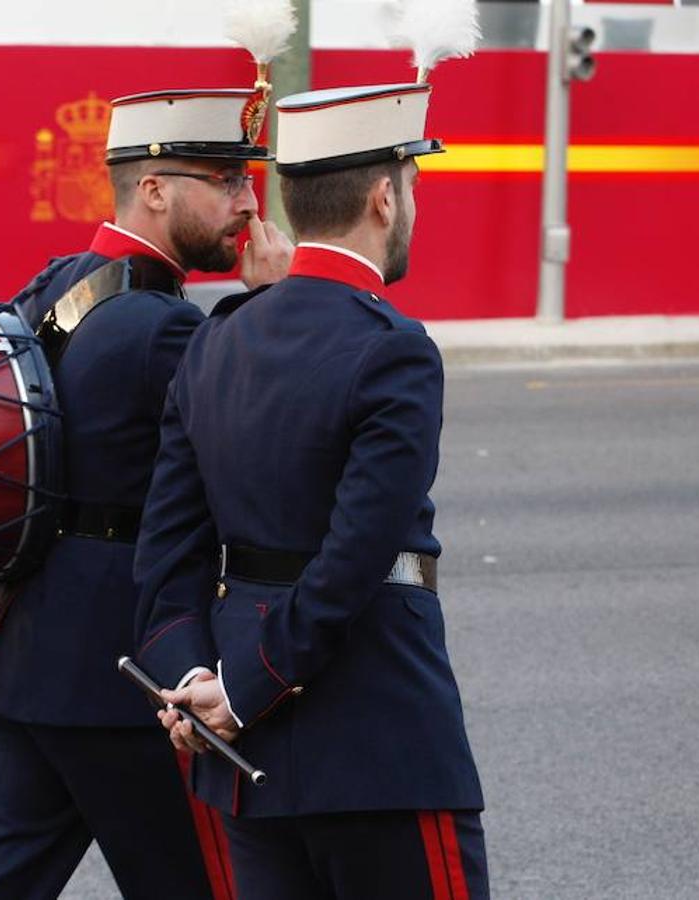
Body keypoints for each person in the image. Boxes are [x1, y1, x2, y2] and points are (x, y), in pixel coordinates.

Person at [133, 82, 490, 899]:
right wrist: (241, 691)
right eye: (412, 187)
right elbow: (354, 559)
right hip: (374, 739)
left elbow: (166, 553)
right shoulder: (394, 349)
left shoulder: (217, 340)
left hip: (240, 754)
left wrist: (192, 684)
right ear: (383, 198)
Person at [0, 86, 293, 900]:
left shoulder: (63, 282)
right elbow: (270, 454)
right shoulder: (166, 326)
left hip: (21, 659)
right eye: (226, 181)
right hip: (122, 683)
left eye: (248, 180)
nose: (249, 203)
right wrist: (276, 307)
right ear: (155, 189)